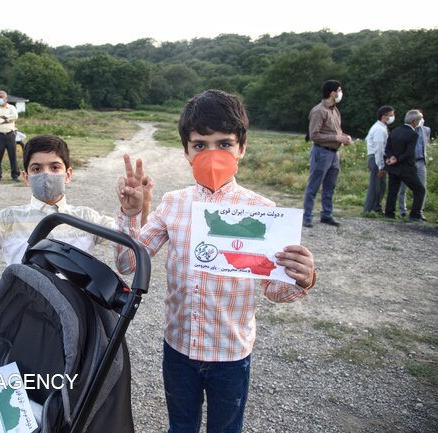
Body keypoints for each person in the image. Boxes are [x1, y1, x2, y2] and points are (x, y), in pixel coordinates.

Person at [115, 89, 316, 433]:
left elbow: (275, 290)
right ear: (186, 151)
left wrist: (303, 278)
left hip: (231, 353)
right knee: (181, 427)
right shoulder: (173, 204)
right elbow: (128, 263)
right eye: (200, 145)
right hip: (178, 347)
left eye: (224, 144)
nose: (212, 154)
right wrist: (131, 215)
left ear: (242, 148)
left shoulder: (264, 213)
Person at [0, 134, 152, 265]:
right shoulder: (8, 218)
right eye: (37, 169)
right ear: (26, 177)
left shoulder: (87, 218)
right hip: (26, 315)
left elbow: (129, 262)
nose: (46, 174)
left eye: (55, 167)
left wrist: (133, 212)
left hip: (75, 317)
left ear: (68, 174)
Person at [302, 80, 353, 228]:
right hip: (321, 152)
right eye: (339, 90)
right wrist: (336, 138)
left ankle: (326, 215)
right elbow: (314, 135)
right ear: (332, 93)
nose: (340, 93)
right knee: (314, 186)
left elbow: (335, 131)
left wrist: (344, 137)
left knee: (330, 186)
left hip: (334, 153)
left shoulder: (335, 110)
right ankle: (307, 216)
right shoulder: (319, 111)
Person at [384, 110, 426, 221]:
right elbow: (409, 153)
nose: (420, 121)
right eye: (419, 119)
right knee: (419, 190)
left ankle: (389, 213)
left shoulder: (395, 130)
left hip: (393, 167)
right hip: (406, 167)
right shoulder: (413, 134)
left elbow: (387, 148)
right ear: (414, 122)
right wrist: (397, 159)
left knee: (393, 190)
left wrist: (391, 157)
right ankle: (415, 214)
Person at [397, 110, 430, 220]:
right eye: (419, 118)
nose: (421, 120)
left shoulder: (426, 130)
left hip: (420, 161)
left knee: (422, 187)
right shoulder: (406, 130)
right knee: (403, 187)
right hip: (408, 162)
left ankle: (419, 211)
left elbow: (426, 144)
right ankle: (402, 210)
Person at [363, 105, 394, 215]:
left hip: (376, 159)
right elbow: (379, 149)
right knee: (376, 186)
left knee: (381, 186)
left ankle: (376, 208)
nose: (392, 117)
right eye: (391, 115)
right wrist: (381, 166)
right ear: (384, 116)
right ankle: (370, 210)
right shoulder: (380, 129)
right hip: (377, 160)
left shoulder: (379, 127)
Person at [0, 90, 20, 182]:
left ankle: (15, 175)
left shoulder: (11, 107)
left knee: (13, 155)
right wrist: (7, 119)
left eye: (1, 97)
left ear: (6, 98)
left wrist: (3, 118)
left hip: (10, 134)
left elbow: (15, 116)